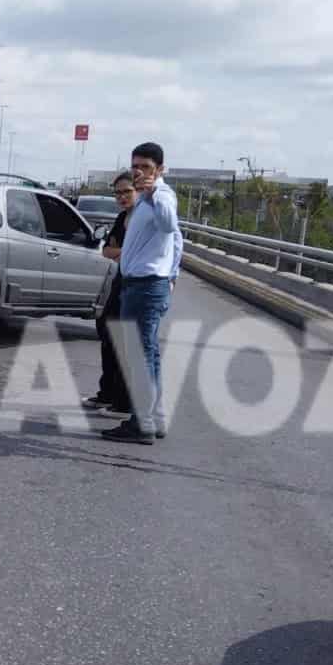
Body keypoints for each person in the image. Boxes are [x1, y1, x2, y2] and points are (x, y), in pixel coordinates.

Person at [102, 142, 181, 445]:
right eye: (135, 166)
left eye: (146, 167)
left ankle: (142, 423)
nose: (138, 172)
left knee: (140, 354)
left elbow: (169, 226)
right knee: (149, 354)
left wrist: (153, 192)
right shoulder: (145, 202)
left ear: (159, 170)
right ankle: (153, 419)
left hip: (147, 286)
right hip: (137, 285)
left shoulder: (162, 196)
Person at [82, 173, 136, 415]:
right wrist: (123, 250)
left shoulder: (143, 218)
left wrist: (122, 250)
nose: (122, 197)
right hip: (120, 279)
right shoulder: (122, 217)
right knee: (106, 330)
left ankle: (124, 401)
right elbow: (107, 251)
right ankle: (107, 394)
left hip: (137, 285)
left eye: (127, 192)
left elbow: (138, 251)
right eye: (118, 193)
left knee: (126, 342)